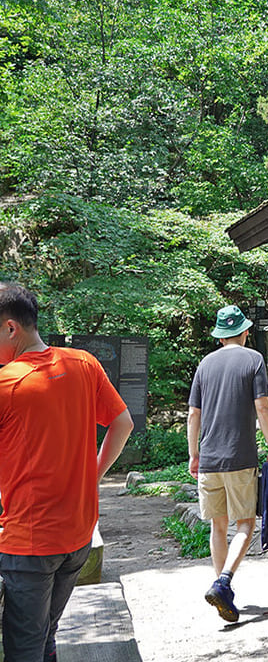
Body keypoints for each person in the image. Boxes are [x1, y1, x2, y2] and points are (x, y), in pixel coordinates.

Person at [0, 282, 134, 662]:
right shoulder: (83, 363)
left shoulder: (7, 384)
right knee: (46, 635)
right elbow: (122, 423)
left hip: (30, 543)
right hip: (78, 536)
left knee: (24, 650)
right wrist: (90, 477)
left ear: (11, 328)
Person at [187, 304, 268, 623]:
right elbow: (263, 407)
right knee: (245, 523)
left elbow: (193, 414)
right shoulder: (253, 359)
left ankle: (223, 588)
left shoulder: (204, 365)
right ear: (244, 332)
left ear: (219, 335)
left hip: (209, 459)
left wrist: (193, 454)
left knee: (218, 525)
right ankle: (223, 583)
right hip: (240, 457)